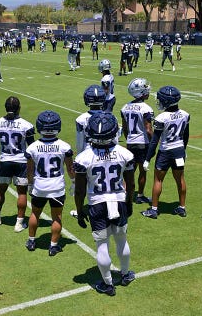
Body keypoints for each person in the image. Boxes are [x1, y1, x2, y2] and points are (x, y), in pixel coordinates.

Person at [73, 112, 136, 296]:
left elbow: (79, 190)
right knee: (121, 239)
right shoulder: (125, 153)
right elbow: (130, 184)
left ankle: (108, 283)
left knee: (102, 245)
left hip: (97, 203)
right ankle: (125, 275)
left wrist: (79, 209)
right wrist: (130, 203)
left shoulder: (83, 158)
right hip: (119, 200)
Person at [25, 111, 75, 256]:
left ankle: (31, 240)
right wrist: (73, 182)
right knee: (57, 216)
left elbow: (29, 170)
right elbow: (70, 168)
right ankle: (53, 246)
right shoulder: (64, 146)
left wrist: (30, 184)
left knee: (35, 213)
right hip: (57, 187)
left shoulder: (32, 147)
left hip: (39, 186)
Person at [141, 86, 189, 219]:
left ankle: (154, 210)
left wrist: (147, 159)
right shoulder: (185, 114)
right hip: (179, 150)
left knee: (158, 180)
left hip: (165, 152)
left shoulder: (162, 117)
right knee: (180, 179)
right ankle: (182, 207)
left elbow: (154, 141)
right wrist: (183, 149)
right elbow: (186, 135)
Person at [0, 96, 35, 232]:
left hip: (5, 160)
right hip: (21, 162)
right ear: (19, 108)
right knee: (22, 192)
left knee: (1, 190)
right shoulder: (26, 125)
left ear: (5, 107)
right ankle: (19, 223)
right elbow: (32, 147)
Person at [121, 78, 154, 205]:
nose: (148, 90)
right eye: (145, 88)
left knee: (129, 170)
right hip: (143, 143)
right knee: (142, 170)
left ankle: (124, 194)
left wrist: (129, 138)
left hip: (130, 142)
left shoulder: (125, 107)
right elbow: (148, 129)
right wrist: (153, 144)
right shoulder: (145, 108)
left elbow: (124, 128)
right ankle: (139, 195)